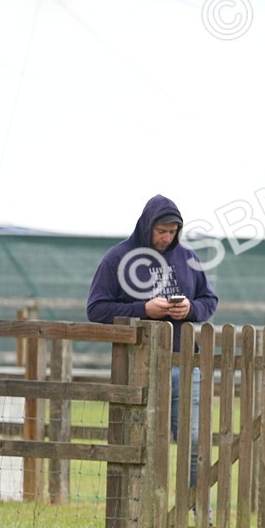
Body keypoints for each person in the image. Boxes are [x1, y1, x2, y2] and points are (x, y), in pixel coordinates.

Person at [86, 194, 219, 487]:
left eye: (172, 232)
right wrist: (143, 310)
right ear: (147, 226)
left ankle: (197, 509)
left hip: (185, 364)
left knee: (194, 439)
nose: (167, 237)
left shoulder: (187, 257)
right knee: (142, 439)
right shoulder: (117, 258)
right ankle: (140, 507)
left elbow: (209, 299)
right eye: (161, 231)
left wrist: (191, 309)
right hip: (139, 367)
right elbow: (95, 309)